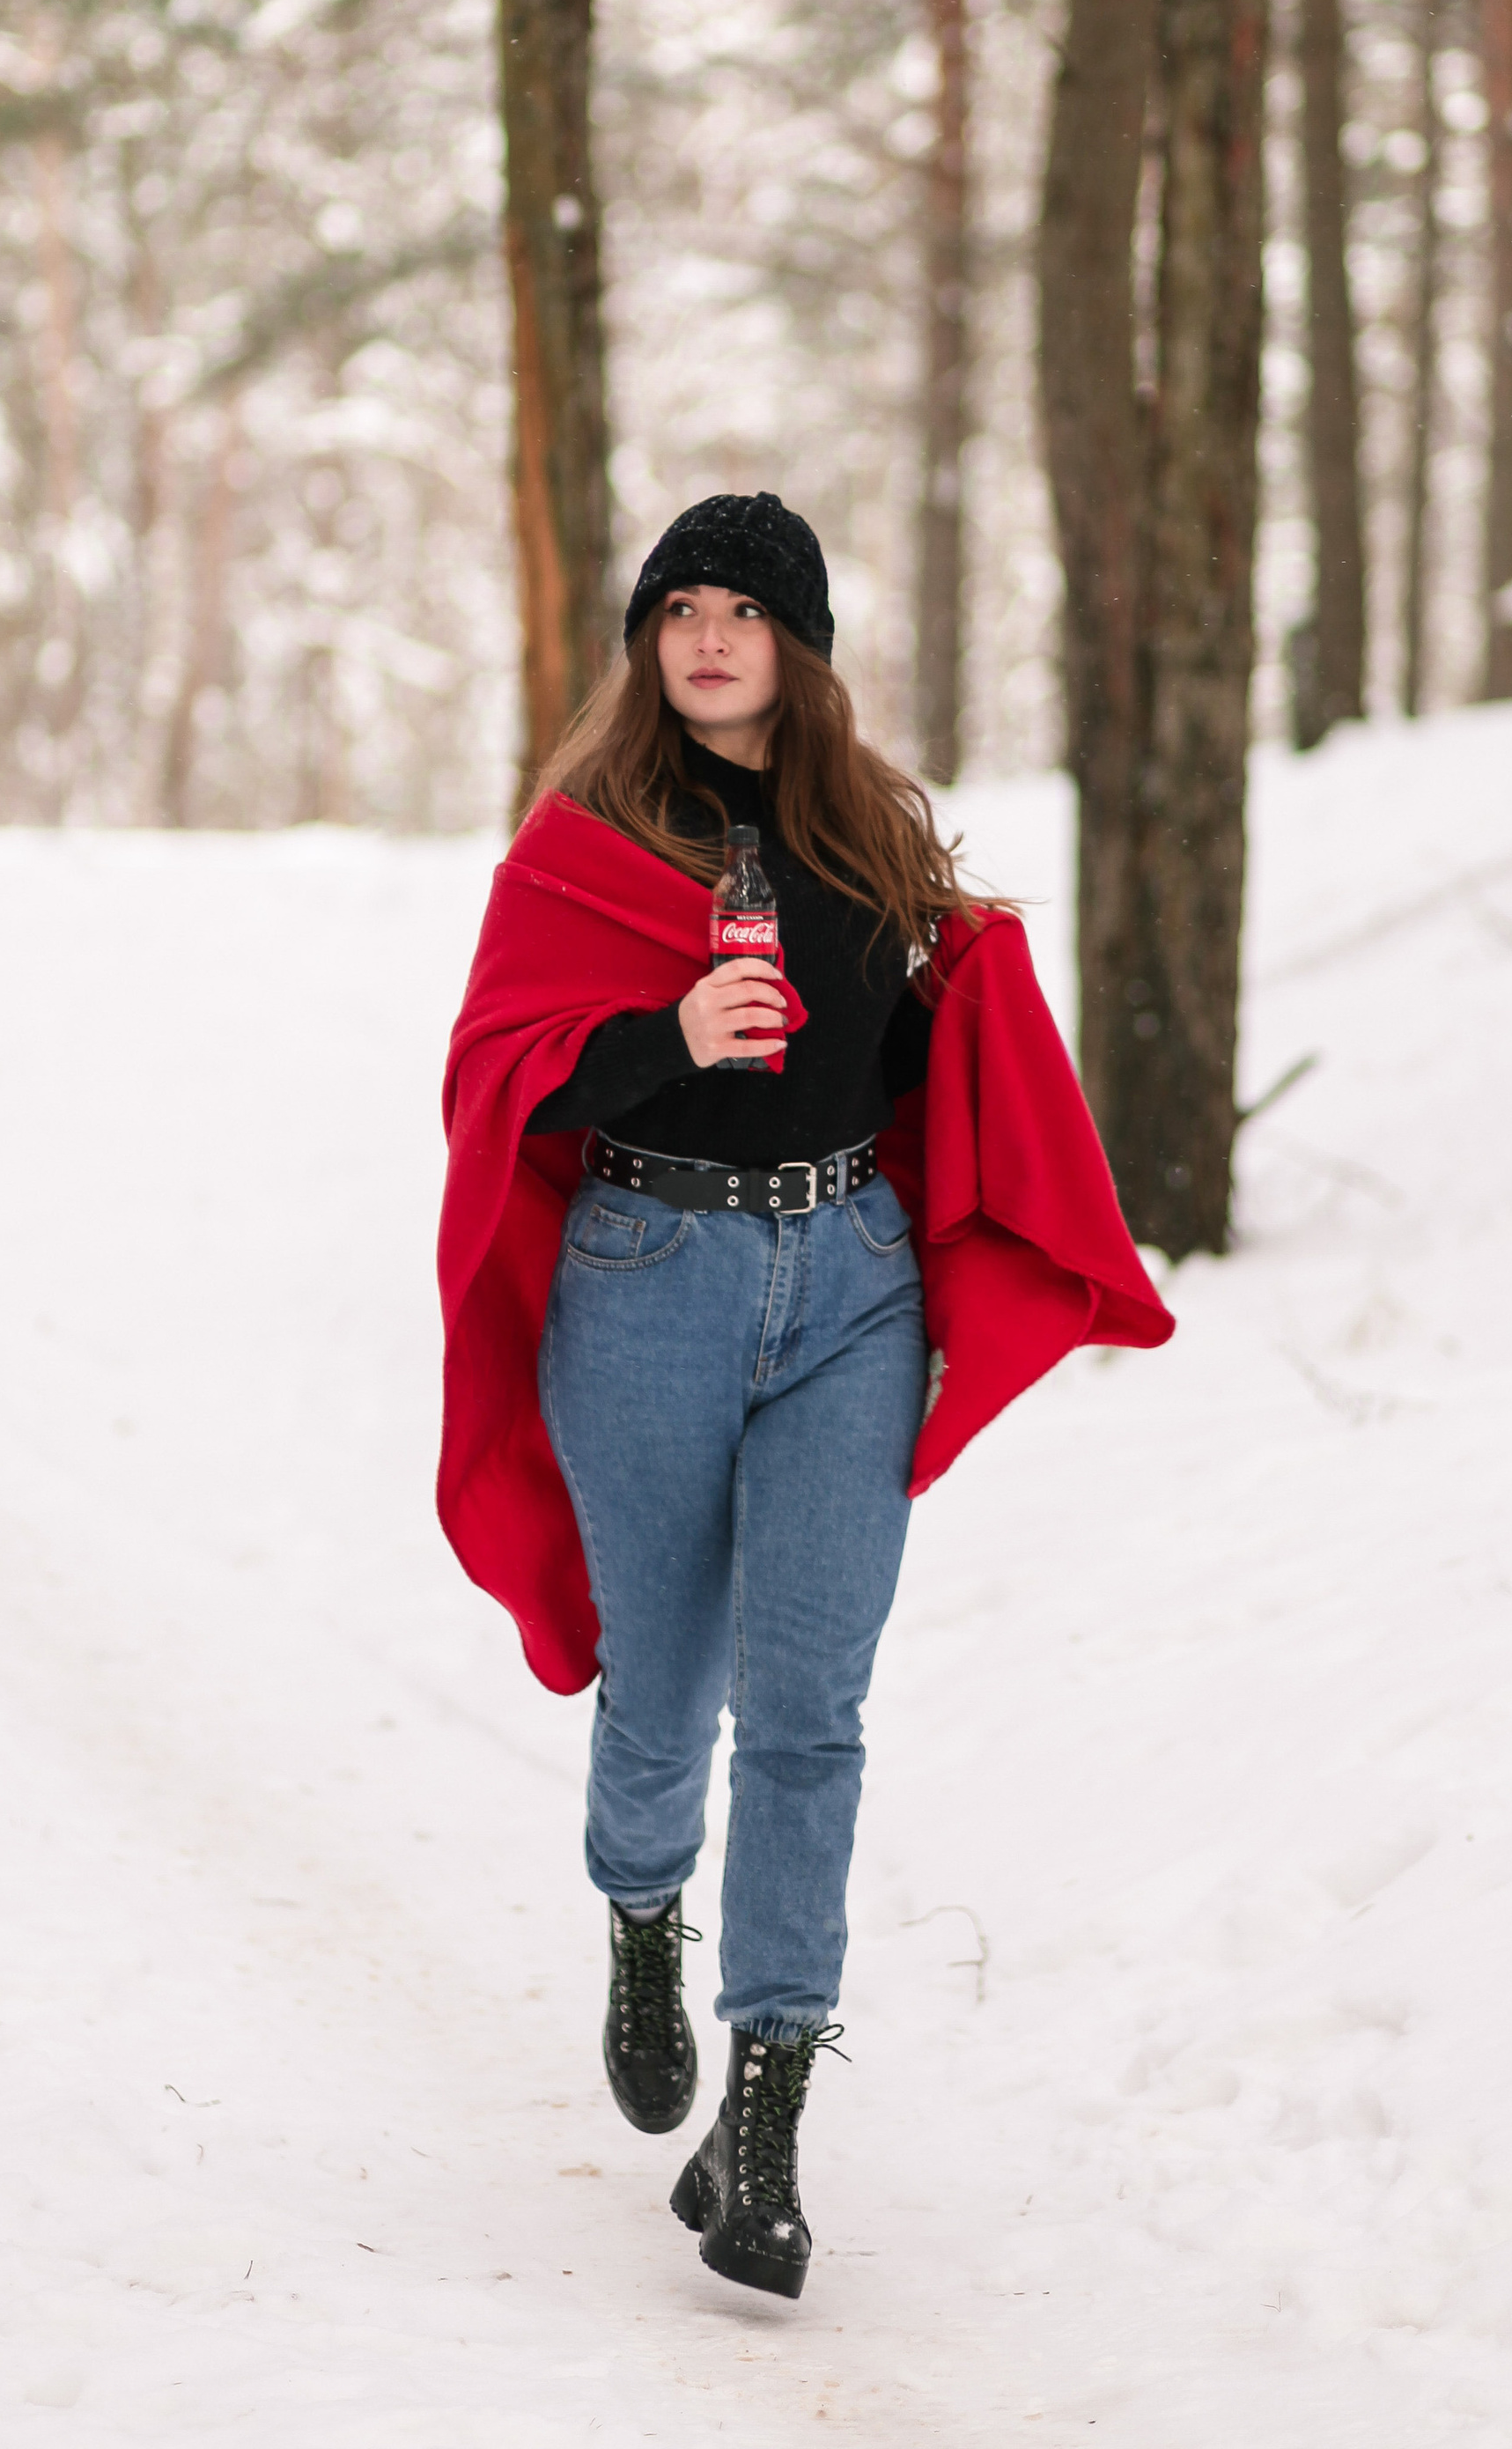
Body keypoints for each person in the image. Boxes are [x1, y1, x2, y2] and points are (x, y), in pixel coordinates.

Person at [438, 493, 1172, 2301]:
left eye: (741, 612)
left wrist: (955, 975)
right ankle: (636, 1909)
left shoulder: (864, 838)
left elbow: (918, 1067)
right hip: (644, 1284)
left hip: (849, 1290)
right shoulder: (581, 845)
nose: (705, 638)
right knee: (665, 1684)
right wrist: (663, 1038)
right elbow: (500, 1072)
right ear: (645, 640)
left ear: (796, 645)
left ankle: (759, 2121)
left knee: (810, 1709)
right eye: (676, 608)